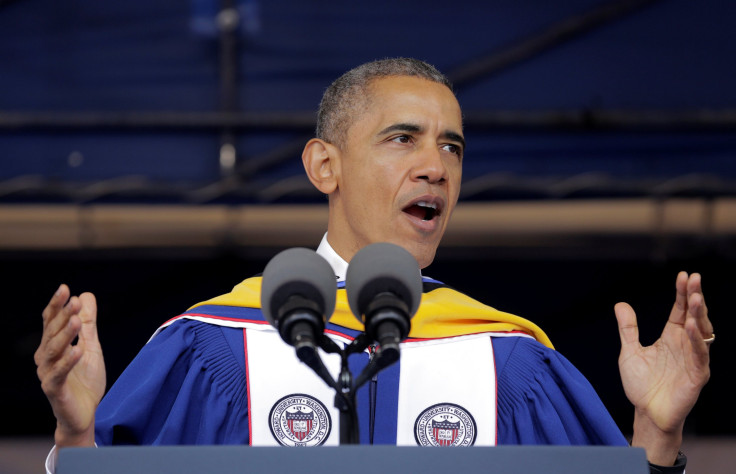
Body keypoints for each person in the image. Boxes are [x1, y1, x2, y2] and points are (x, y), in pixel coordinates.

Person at [35, 58, 712, 472]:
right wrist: (77, 434)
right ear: (324, 165)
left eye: (452, 147)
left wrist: (656, 435)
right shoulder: (216, 345)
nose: (435, 166)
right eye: (403, 138)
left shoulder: (506, 358)